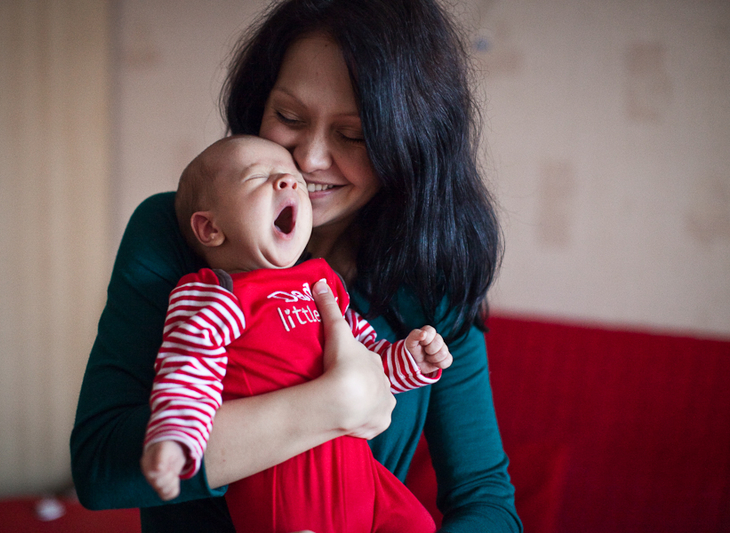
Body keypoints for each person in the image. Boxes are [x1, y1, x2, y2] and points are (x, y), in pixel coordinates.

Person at [70, 1, 522, 532]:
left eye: (353, 135)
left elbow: (486, 500)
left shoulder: (431, 281)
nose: (308, 160)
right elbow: (101, 470)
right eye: (289, 118)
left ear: (410, 145)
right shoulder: (179, 237)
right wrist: (331, 405)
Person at [141, 135, 449, 532]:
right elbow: (187, 370)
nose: (287, 181)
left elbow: (368, 365)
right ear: (210, 228)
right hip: (287, 487)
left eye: (294, 180)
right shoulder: (218, 293)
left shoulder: (321, 280)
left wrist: (410, 360)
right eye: (259, 177)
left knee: (418, 524)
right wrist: (173, 441)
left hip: (363, 480)